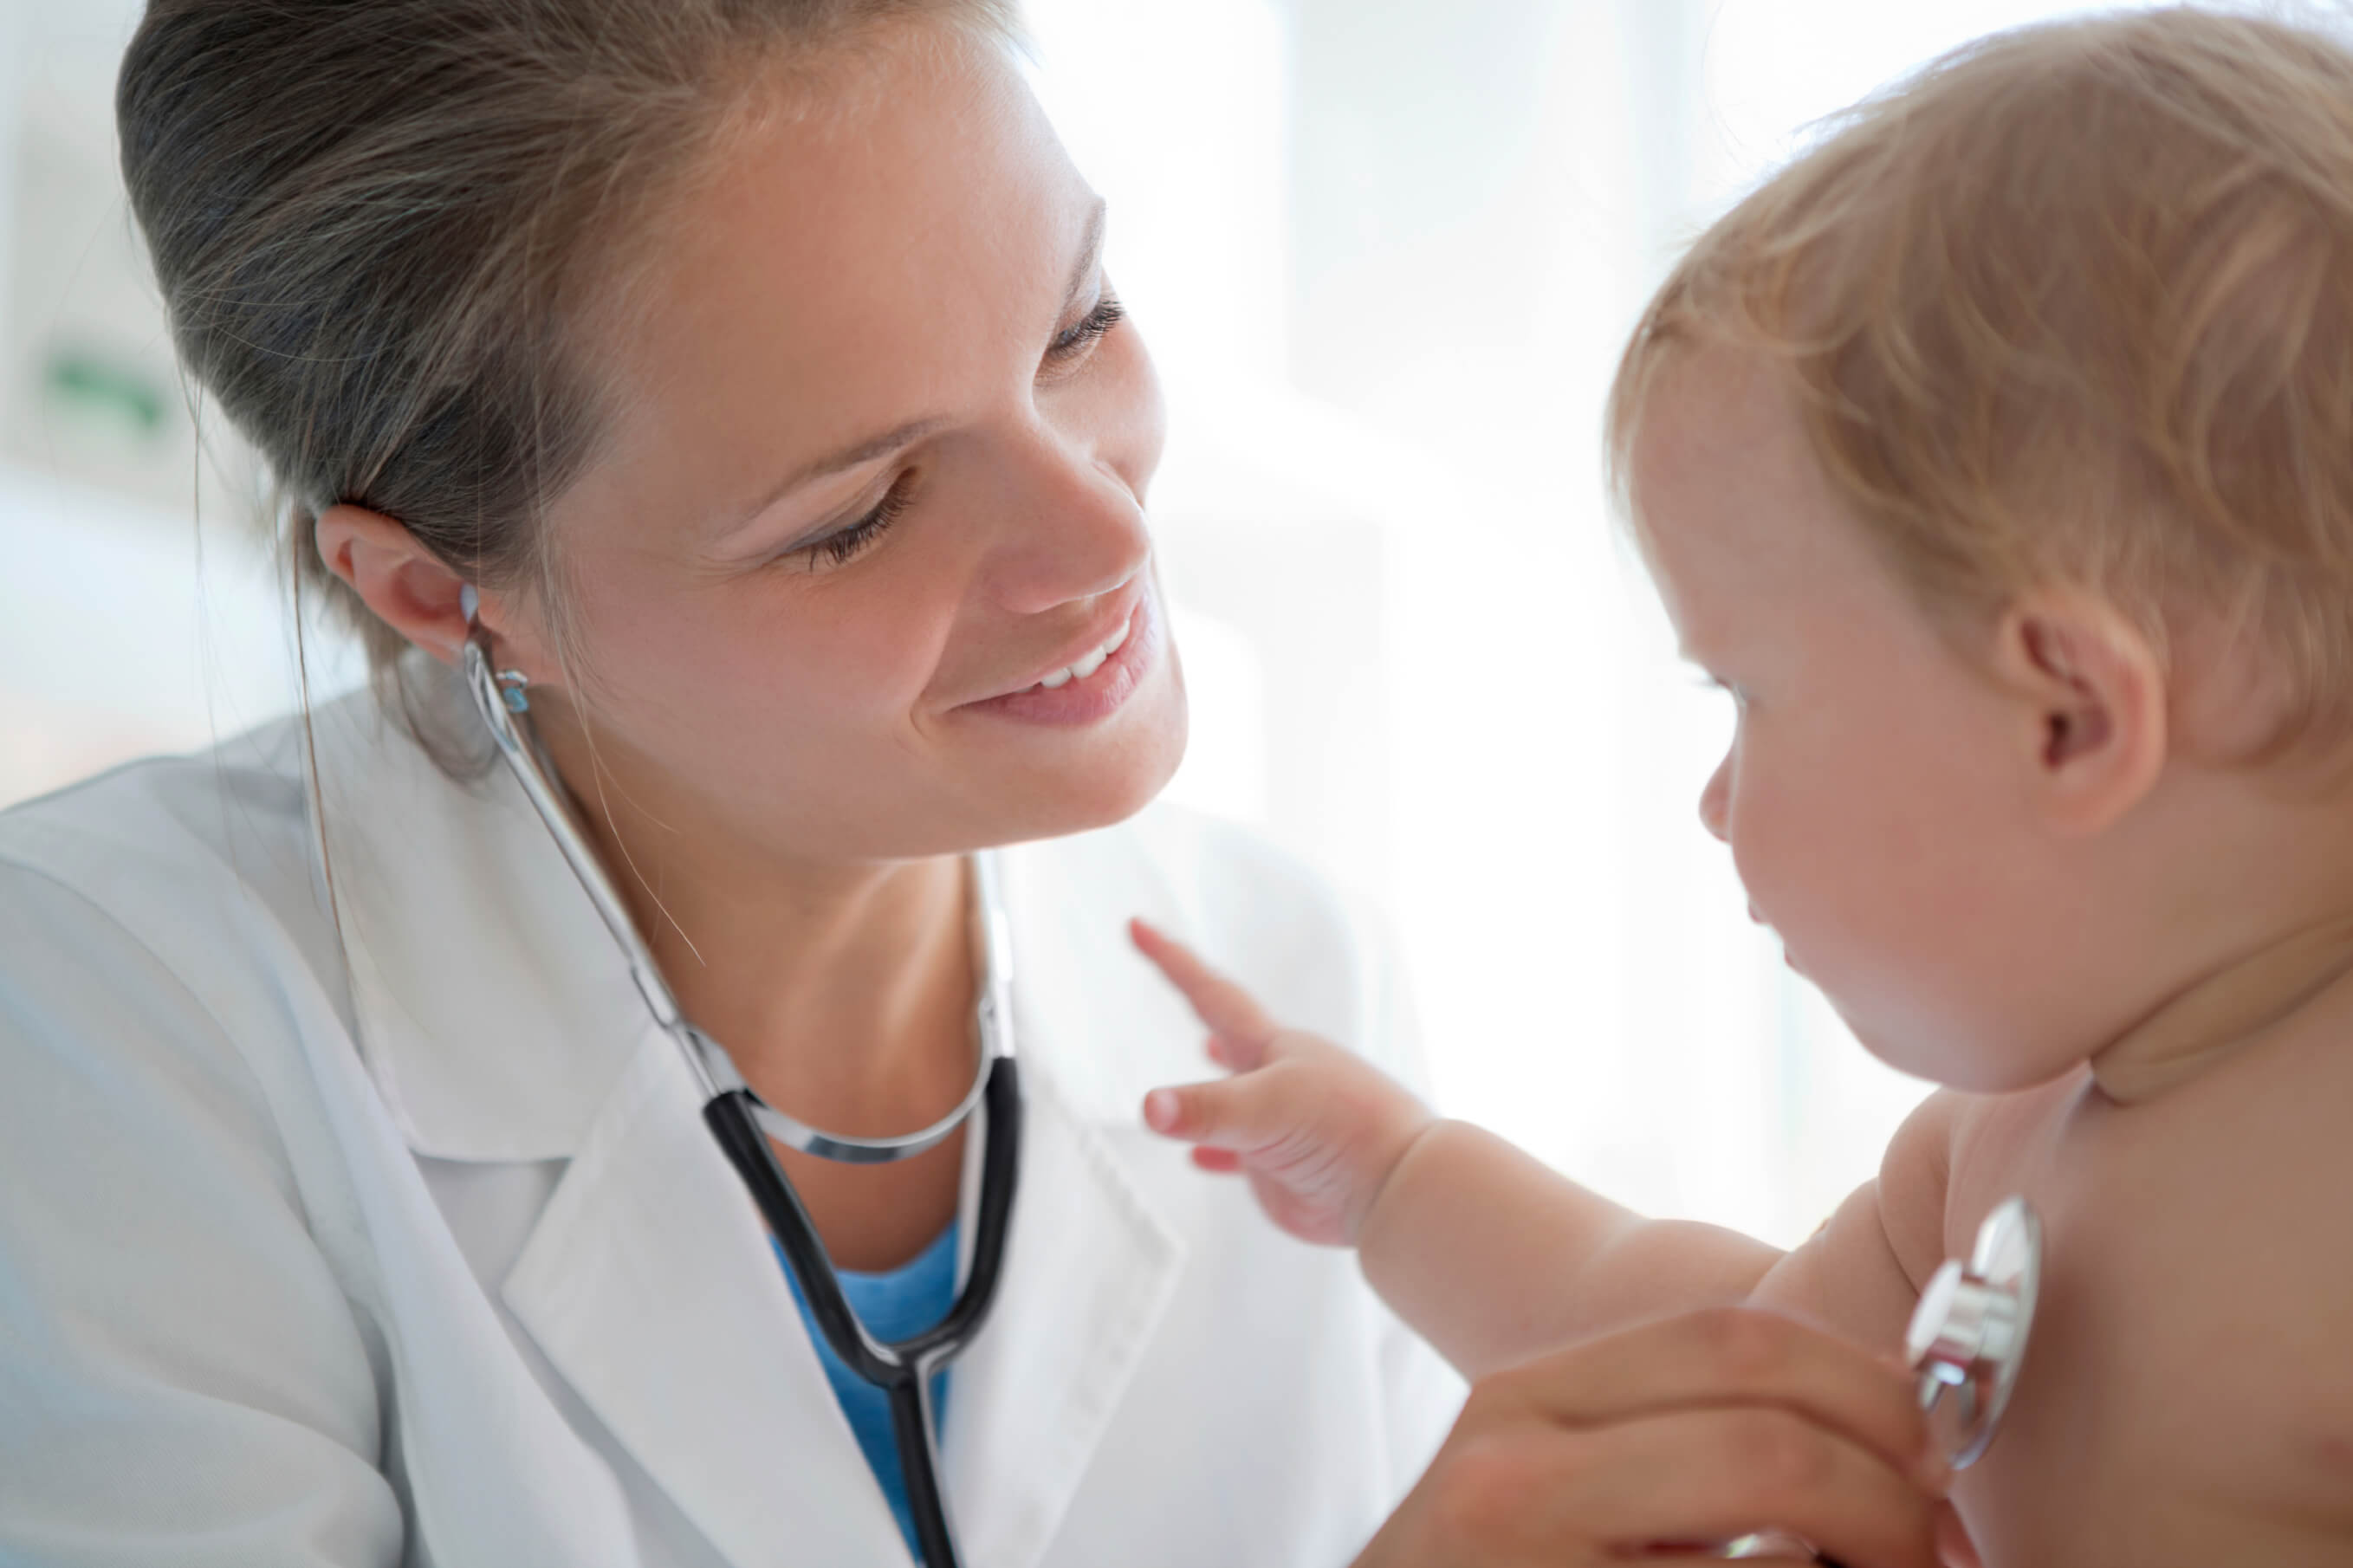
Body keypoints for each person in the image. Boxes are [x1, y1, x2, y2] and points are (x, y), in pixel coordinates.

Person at [0, 2, 1949, 1565]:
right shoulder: (114, 1017)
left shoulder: (1284, 964)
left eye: (1078, 326)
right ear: (443, 590)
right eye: (858, 513)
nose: (1101, 531)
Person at [1134, 9, 2353, 1566]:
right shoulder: (2002, 1148)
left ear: (2067, 716)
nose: (1714, 802)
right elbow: (1705, 1363)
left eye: (1744, 694)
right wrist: (1397, 1177)